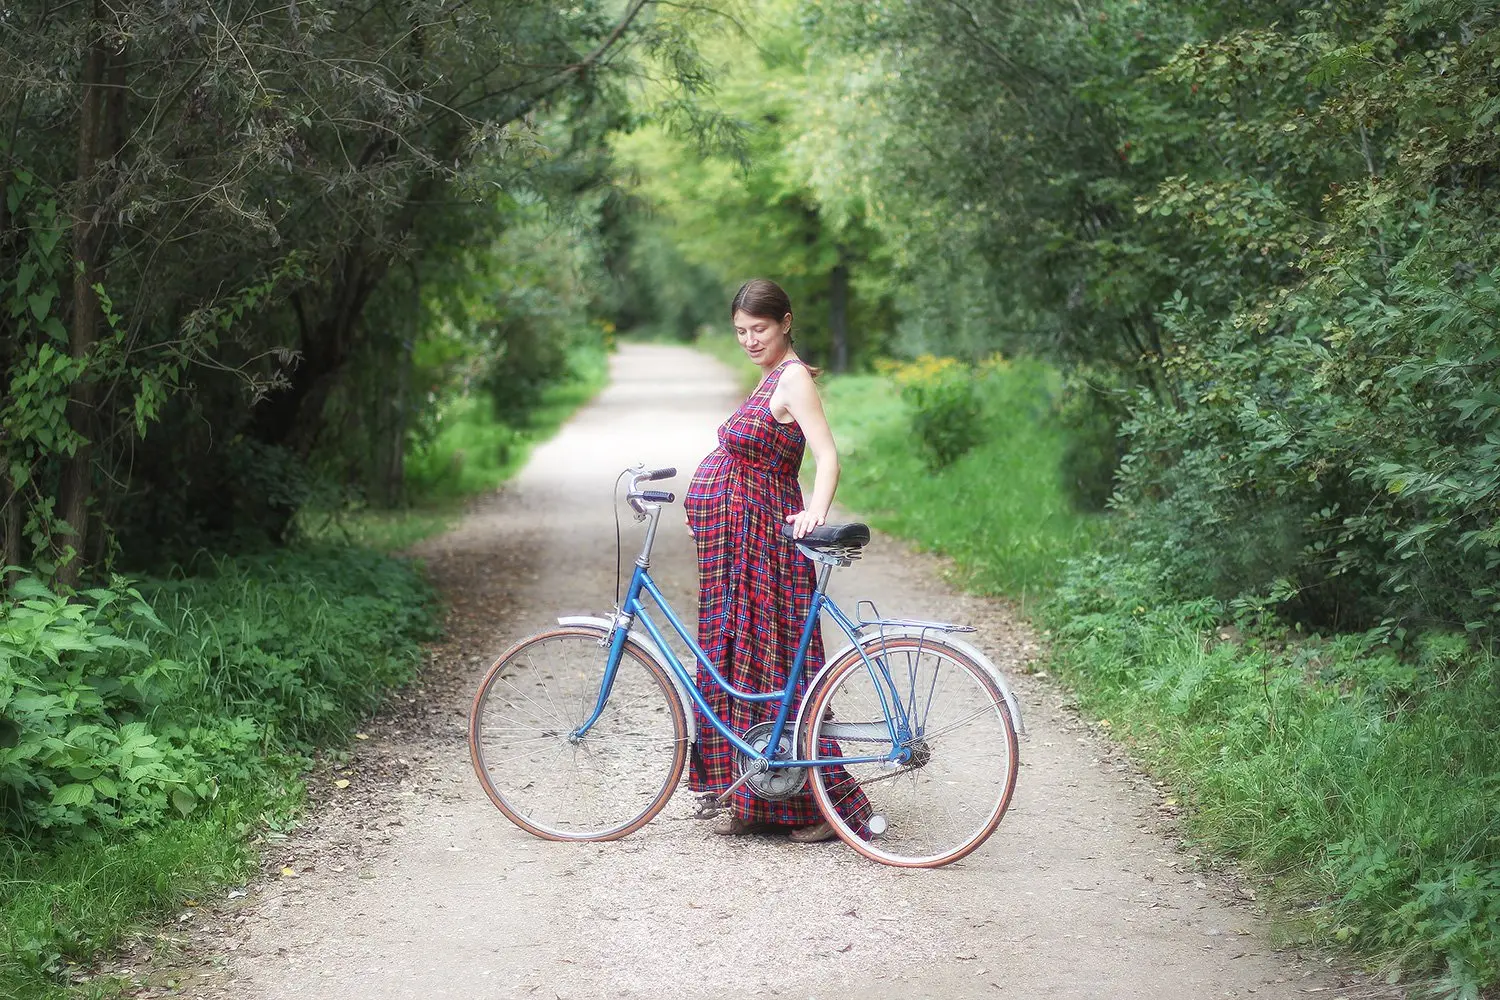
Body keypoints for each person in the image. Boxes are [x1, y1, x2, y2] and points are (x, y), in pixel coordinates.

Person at [684, 278, 871, 842]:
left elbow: (828, 454)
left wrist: (814, 512)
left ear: (785, 321)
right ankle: (754, 794)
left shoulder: (792, 379)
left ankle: (817, 808)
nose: (748, 339)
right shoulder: (769, 378)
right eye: (740, 331)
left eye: (758, 328)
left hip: (765, 544)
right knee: (739, 659)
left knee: (775, 663)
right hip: (735, 549)